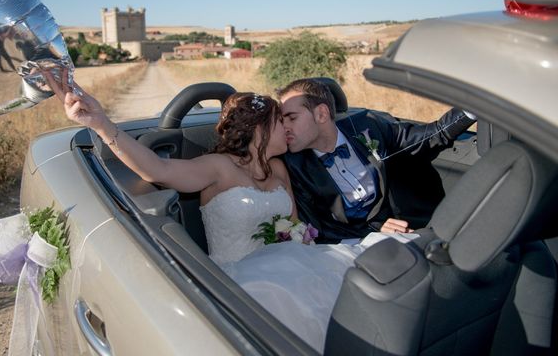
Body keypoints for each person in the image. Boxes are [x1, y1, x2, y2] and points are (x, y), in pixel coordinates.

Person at [43, 70, 409, 352]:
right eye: (281, 122)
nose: (288, 129)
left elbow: (299, 229)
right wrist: (101, 123)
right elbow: (158, 170)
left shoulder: (280, 169)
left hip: (294, 265)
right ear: (260, 130)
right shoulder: (217, 167)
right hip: (240, 282)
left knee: (371, 278)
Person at [279, 78, 476, 242]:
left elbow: (430, 137)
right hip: (353, 246)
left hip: (413, 228)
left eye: (292, 118)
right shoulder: (294, 166)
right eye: (281, 120)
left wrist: (475, 105)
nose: (284, 127)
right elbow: (320, 230)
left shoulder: (369, 126)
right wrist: (374, 235)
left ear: (321, 114)